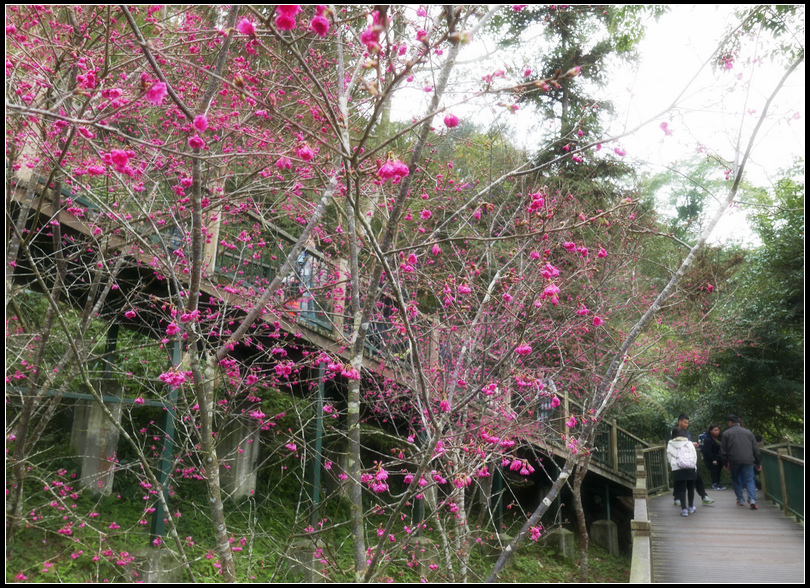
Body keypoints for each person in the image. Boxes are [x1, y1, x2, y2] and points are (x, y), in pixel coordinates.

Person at [670, 414, 715, 506]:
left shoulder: (687, 433)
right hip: (679, 460)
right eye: (685, 422)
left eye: (687, 423)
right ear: (679, 422)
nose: (686, 424)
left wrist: (691, 444)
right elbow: (674, 444)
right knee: (679, 480)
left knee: (697, 476)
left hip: (689, 460)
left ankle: (704, 496)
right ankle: (677, 497)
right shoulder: (674, 432)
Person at [720, 414, 762, 509]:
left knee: (736, 479)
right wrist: (758, 462)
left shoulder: (726, 434)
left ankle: (740, 499)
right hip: (748, 460)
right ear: (738, 422)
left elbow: (723, 451)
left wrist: (725, 463)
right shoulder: (748, 433)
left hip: (734, 460)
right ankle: (752, 499)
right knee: (750, 480)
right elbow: (756, 449)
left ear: (730, 423)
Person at [667, 432, 698, 517]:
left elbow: (669, 456)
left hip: (678, 469)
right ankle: (691, 507)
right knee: (691, 488)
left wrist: (673, 465)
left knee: (681, 489)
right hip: (690, 468)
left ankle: (684, 509)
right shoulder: (689, 443)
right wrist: (693, 464)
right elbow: (694, 455)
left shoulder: (670, 444)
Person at [698, 424, 726, 490]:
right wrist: (713, 459)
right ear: (711, 431)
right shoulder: (708, 439)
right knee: (714, 470)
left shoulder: (720, 437)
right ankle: (715, 484)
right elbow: (707, 450)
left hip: (719, 457)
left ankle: (718, 483)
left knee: (719, 470)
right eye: (715, 430)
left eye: (717, 430)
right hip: (711, 458)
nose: (717, 432)